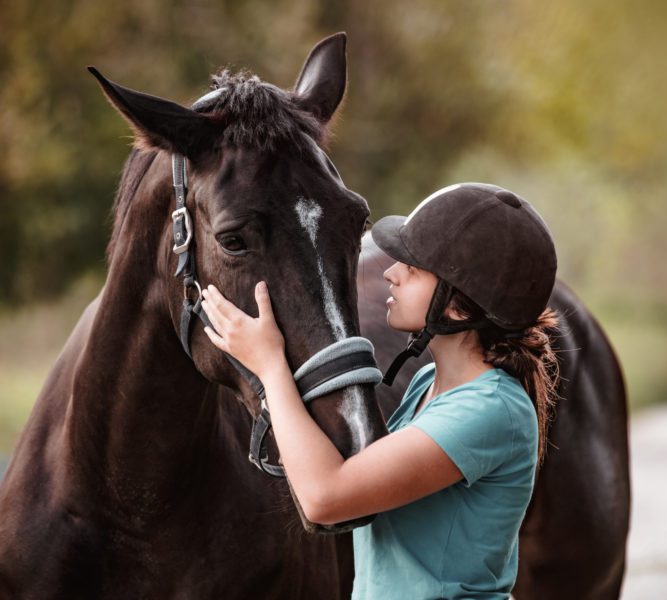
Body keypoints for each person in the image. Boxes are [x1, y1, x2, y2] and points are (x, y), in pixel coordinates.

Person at [199, 182, 559, 599]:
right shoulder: (429, 383)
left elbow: (326, 497)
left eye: (413, 267)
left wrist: (270, 366)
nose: (390, 272)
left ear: (458, 306)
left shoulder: (490, 409)